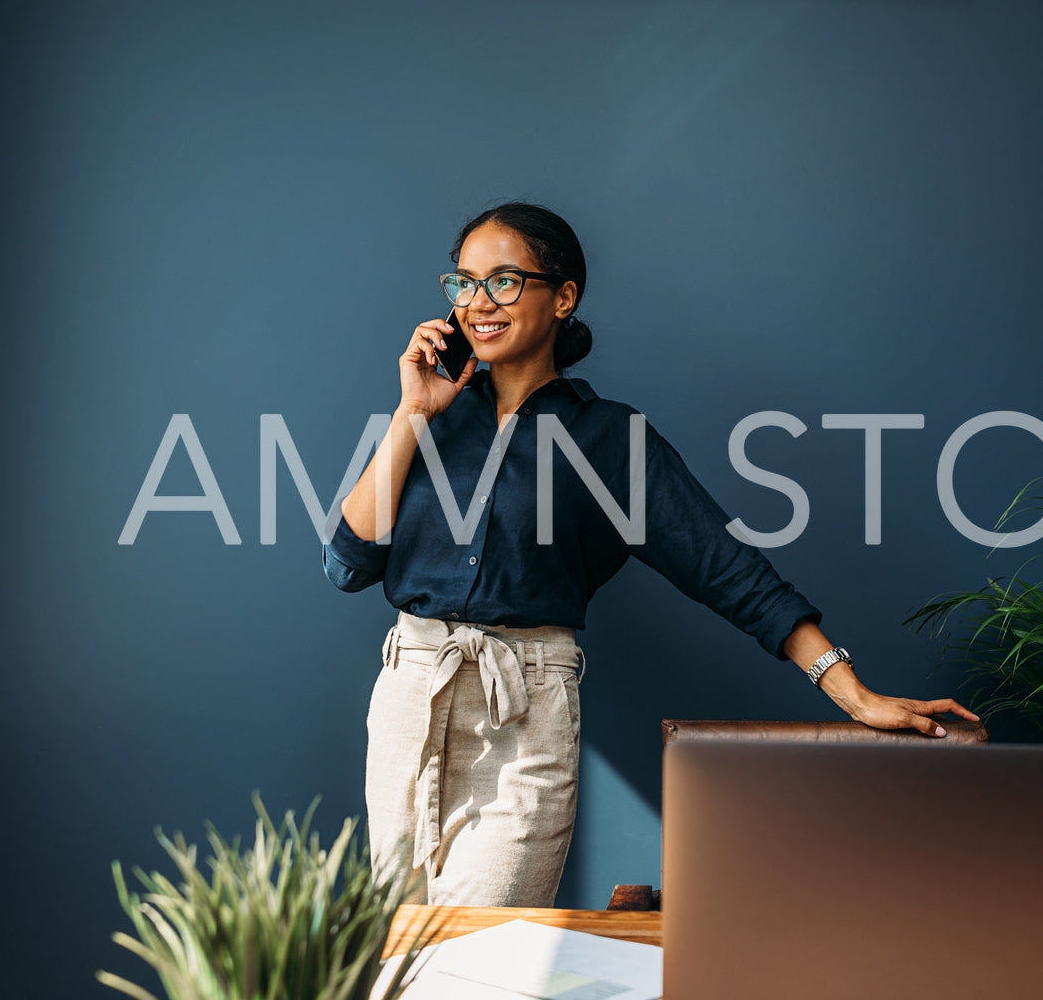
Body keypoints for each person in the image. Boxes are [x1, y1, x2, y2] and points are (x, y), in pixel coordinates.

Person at [323, 202, 980, 907]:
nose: (478, 303)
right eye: (464, 283)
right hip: (408, 702)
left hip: (524, 711)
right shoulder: (431, 413)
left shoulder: (611, 439)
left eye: (505, 281)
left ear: (564, 296)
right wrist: (412, 413)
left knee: (488, 957)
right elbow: (349, 562)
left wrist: (849, 689)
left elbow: (727, 569)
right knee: (403, 958)